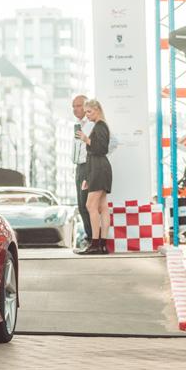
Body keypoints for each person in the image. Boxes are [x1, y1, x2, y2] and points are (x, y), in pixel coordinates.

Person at [76, 99, 112, 255]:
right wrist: (87, 178)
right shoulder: (100, 125)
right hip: (97, 169)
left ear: (97, 110)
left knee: (91, 206)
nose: (87, 115)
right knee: (102, 207)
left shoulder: (100, 126)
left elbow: (102, 149)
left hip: (99, 169)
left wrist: (86, 139)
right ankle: (102, 245)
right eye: (86, 112)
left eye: (89, 111)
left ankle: (95, 244)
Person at [72, 95, 94, 248]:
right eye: (73, 106)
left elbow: (105, 145)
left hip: (88, 166)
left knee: (87, 204)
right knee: (81, 205)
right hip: (79, 167)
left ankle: (92, 239)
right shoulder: (78, 125)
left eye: (78, 105)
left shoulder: (92, 124)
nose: (75, 109)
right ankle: (89, 238)